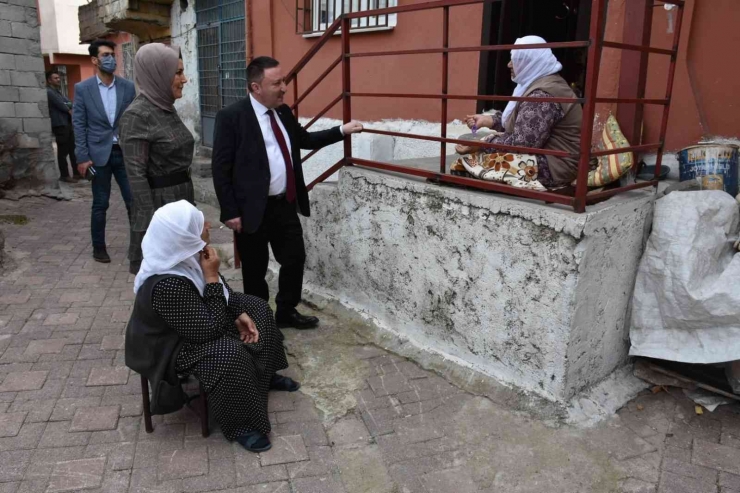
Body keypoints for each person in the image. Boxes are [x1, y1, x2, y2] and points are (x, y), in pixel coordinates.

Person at [125, 200, 298, 452]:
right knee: (227, 352)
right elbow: (209, 332)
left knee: (257, 308)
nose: (207, 225)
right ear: (184, 235)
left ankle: (264, 374)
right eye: (200, 223)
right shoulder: (166, 284)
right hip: (168, 346)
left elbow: (221, 290)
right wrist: (211, 277)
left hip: (197, 322)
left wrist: (239, 312)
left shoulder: (187, 254)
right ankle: (243, 426)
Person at [212, 56, 363, 330]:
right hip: (251, 210)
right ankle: (261, 322)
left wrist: (342, 130)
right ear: (256, 88)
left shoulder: (283, 112)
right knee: (254, 271)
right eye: (277, 83)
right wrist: (229, 210)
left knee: (294, 258)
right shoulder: (232, 117)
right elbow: (221, 168)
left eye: (283, 81)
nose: (284, 88)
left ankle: (286, 311)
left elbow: (304, 140)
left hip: (284, 205)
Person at [452, 35, 583, 191]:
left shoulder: (542, 95)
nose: (509, 65)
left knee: (467, 164)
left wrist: (481, 144)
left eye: (514, 60)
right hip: (552, 158)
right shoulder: (542, 83)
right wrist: (490, 120)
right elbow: (525, 123)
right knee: (478, 155)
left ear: (528, 63)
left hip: (556, 166)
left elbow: (522, 144)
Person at [120, 43, 194, 276]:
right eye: (178, 72)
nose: (185, 79)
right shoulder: (137, 115)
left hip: (181, 200)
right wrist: (155, 225)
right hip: (160, 207)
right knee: (164, 281)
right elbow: (136, 177)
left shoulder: (165, 107)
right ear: (158, 74)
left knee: (186, 275)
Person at [73, 39, 136, 263]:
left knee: (133, 201)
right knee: (101, 203)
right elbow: (79, 124)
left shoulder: (128, 87)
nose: (111, 59)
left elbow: (133, 120)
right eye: (106, 55)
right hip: (98, 155)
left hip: (124, 153)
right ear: (94, 60)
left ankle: (137, 248)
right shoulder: (83, 89)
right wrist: (82, 157)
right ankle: (98, 247)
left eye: (112, 54)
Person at [46, 71, 81, 183]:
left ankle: (76, 173)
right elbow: (63, 106)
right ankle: (64, 175)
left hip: (67, 123)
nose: (58, 79)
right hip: (60, 125)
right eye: (55, 78)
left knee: (72, 149)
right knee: (62, 151)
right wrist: (67, 105)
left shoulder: (58, 92)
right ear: (49, 80)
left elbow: (70, 103)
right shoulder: (49, 92)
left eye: (59, 77)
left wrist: (68, 105)